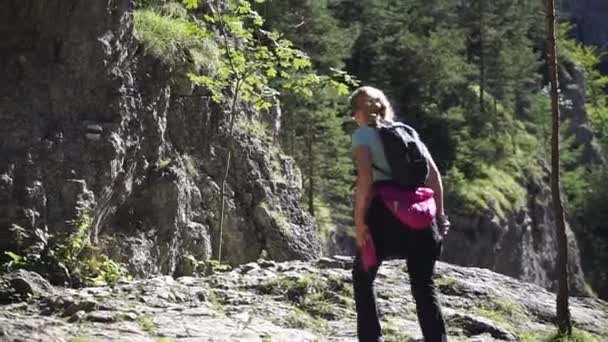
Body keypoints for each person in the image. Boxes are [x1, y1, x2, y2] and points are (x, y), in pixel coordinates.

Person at [349, 86, 449, 342]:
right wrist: (439, 216)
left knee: (363, 277)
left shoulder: (362, 136)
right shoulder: (407, 132)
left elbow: (365, 179)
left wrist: (359, 221)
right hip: (421, 217)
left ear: (360, 112)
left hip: (385, 215)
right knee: (424, 287)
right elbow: (433, 176)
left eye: (353, 112)